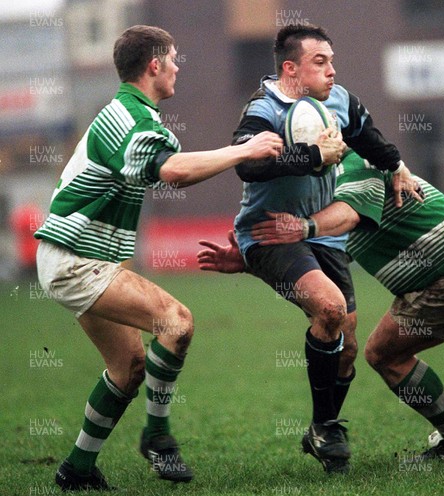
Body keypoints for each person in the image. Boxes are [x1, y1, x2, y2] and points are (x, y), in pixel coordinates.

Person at [198, 149, 444, 461]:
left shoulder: (350, 164)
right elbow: (324, 261)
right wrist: (252, 263)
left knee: (383, 354)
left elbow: (345, 215)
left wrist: (301, 228)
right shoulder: (345, 180)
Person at [34, 25, 283, 491]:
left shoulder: (132, 115)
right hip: (75, 260)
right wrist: (245, 150)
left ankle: (77, 470)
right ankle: (158, 437)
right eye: (173, 58)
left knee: (128, 368)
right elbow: (175, 173)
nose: (177, 67)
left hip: (80, 260)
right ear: (154, 65)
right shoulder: (131, 121)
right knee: (176, 321)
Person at [229, 24, 421, 473]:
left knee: (348, 345)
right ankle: (327, 428)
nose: (332, 71)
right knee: (330, 310)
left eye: (332, 61)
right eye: (321, 62)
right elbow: (249, 166)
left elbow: (366, 135)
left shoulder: (339, 100)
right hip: (270, 233)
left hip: (324, 238)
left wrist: (397, 166)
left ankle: (322, 430)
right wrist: (312, 157)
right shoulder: (263, 109)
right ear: (290, 68)